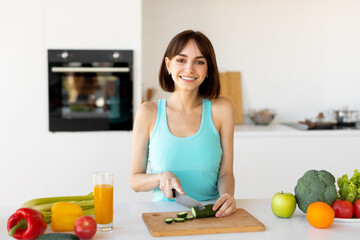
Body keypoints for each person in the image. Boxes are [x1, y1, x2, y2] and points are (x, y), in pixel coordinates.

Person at [130, 30, 236, 217]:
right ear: (168, 65)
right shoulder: (148, 112)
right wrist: (160, 178)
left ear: (208, 70)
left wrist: (227, 196)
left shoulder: (222, 109)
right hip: (163, 217)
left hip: (212, 215)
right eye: (181, 60)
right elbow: (135, 181)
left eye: (199, 62)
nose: (189, 69)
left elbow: (226, 172)